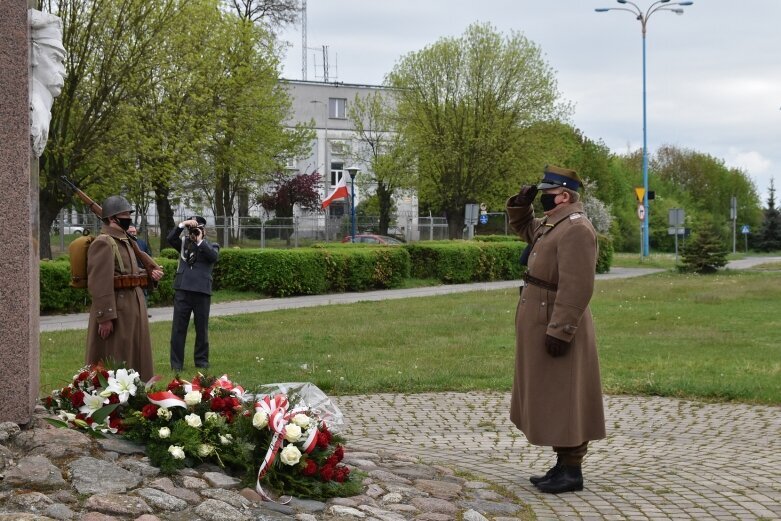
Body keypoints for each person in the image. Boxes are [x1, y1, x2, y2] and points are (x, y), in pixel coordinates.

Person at [506, 165, 606, 494]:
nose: (545, 199)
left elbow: (577, 286)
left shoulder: (576, 229)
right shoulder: (555, 224)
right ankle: (562, 465)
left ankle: (571, 470)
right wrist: (522, 205)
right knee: (552, 393)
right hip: (540, 317)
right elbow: (525, 229)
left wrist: (561, 329)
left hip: (556, 321)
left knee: (565, 394)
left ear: (564, 196)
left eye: (547, 194)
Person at [86, 196, 164, 381]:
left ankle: (136, 397)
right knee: (117, 357)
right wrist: (105, 316)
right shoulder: (104, 242)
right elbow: (99, 282)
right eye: (125, 214)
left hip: (133, 307)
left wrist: (149, 275)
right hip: (118, 311)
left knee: (135, 356)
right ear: (113, 218)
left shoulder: (125, 240)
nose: (129, 217)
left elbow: (129, 271)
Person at [167, 216, 220, 371]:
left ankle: (201, 362)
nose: (194, 233)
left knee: (201, 328)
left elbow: (213, 257)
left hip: (202, 291)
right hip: (183, 290)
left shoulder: (211, 245)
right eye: (192, 230)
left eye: (197, 229)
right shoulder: (184, 243)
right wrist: (182, 225)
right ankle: (176, 365)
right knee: (178, 328)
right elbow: (170, 238)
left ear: (203, 230)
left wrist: (200, 241)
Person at [29, 10, 67, 158]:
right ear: (34, 53)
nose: (63, 71)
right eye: (55, 58)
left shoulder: (43, 107)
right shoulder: (32, 105)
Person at [128, 225, 153, 314]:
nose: (132, 233)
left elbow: (149, 255)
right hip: (130, 272)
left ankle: (144, 312)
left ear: (136, 232)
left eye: (133, 232)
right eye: (130, 232)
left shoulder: (142, 243)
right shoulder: (125, 243)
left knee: (144, 293)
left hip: (142, 272)